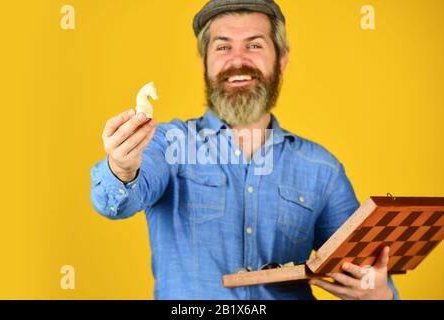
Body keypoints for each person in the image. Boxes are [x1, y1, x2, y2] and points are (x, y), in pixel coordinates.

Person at [90, 0, 399, 300]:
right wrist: (122, 167)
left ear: (282, 60)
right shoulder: (169, 144)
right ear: (204, 62)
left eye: (254, 45)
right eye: (223, 47)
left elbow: (363, 265)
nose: (238, 60)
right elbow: (115, 203)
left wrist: (378, 294)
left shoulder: (322, 169)